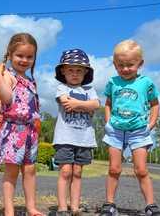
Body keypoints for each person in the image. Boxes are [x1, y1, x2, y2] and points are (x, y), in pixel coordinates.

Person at [100, 39, 160, 216]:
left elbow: (155, 104)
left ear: (140, 64)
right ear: (115, 64)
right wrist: (108, 122)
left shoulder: (146, 83)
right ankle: (109, 204)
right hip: (116, 131)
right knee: (114, 169)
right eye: (120, 65)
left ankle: (151, 206)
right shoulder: (113, 82)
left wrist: (151, 124)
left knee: (141, 170)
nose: (125, 69)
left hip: (139, 132)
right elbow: (108, 103)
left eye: (130, 65)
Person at [0, 33, 44, 216]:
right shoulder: (7, 76)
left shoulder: (31, 81)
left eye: (29, 56)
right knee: (12, 172)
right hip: (13, 130)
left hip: (30, 131)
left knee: (30, 170)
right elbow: (6, 98)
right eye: (20, 56)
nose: (24, 60)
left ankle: (31, 207)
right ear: (10, 55)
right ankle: (9, 210)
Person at [53, 49, 100, 216]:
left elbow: (96, 105)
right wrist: (86, 106)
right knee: (65, 171)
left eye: (79, 70)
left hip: (84, 138)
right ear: (63, 71)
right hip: (65, 137)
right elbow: (66, 104)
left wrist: (80, 105)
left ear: (85, 72)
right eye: (70, 70)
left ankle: (74, 207)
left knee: (78, 172)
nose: (74, 74)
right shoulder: (62, 88)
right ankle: (62, 208)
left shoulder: (90, 90)